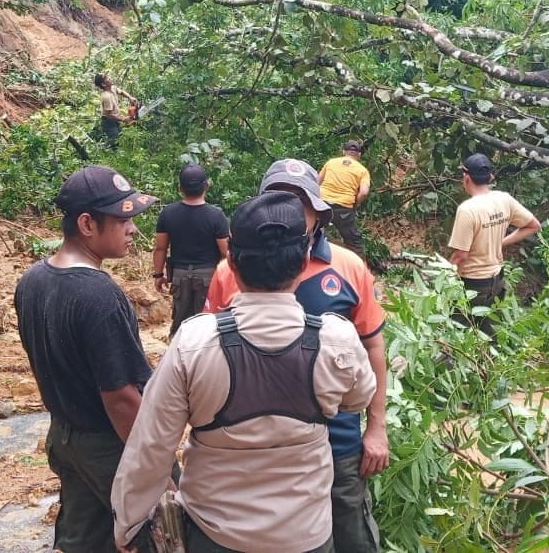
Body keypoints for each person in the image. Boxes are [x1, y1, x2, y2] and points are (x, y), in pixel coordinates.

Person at [112, 191, 377, 552]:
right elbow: (357, 399)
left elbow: (151, 446)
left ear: (231, 263)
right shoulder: (336, 340)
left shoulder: (195, 342)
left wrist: (128, 526)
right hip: (306, 534)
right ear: (303, 262)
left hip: (215, 533)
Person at [204, 159, 389, 553]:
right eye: (278, 200)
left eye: (299, 201)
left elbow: (372, 346)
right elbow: (210, 347)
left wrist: (376, 427)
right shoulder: (230, 271)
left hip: (338, 444)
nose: (287, 212)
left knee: (350, 535)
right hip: (253, 448)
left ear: (318, 213)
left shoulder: (347, 267)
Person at [14, 165, 158, 552]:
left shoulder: (32, 281)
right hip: (108, 443)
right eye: (122, 219)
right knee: (162, 534)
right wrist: (154, 461)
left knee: (83, 540)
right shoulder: (99, 295)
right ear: (87, 224)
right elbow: (121, 396)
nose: (132, 229)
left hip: (65, 435)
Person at [447, 153, 542, 335]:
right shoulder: (503, 199)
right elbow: (533, 225)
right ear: (490, 177)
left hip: (472, 285)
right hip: (497, 281)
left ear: (466, 177)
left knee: (457, 335)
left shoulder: (467, 210)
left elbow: (461, 255)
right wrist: (501, 243)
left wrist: (445, 274)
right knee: (489, 334)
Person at [153, 164, 230, 336]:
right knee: (208, 323)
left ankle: (176, 356)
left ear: (180, 187)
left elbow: (160, 248)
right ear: (207, 186)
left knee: (181, 323)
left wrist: (158, 275)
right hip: (209, 276)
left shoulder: (168, 213)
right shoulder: (216, 215)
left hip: (180, 276)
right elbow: (226, 253)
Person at [318, 141, 371, 258]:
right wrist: (355, 204)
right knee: (354, 242)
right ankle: (361, 270)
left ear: (343, 152)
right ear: (359, 155)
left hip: (322, 204)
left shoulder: (331, 163)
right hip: (344, 207)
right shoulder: (362, 170)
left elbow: (317, 182)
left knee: (314, 233)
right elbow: (364, 192)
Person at [95, 74, 138, 147]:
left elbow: (121, 92)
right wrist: (124, 119)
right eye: (107, 78)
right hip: (109, 123)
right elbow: (109, 115)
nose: (110, 78)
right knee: (115, 144)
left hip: (116, 120)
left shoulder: (113, 88)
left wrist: (130, 97)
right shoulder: (106, 97)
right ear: (103, 84)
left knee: (120, 140)